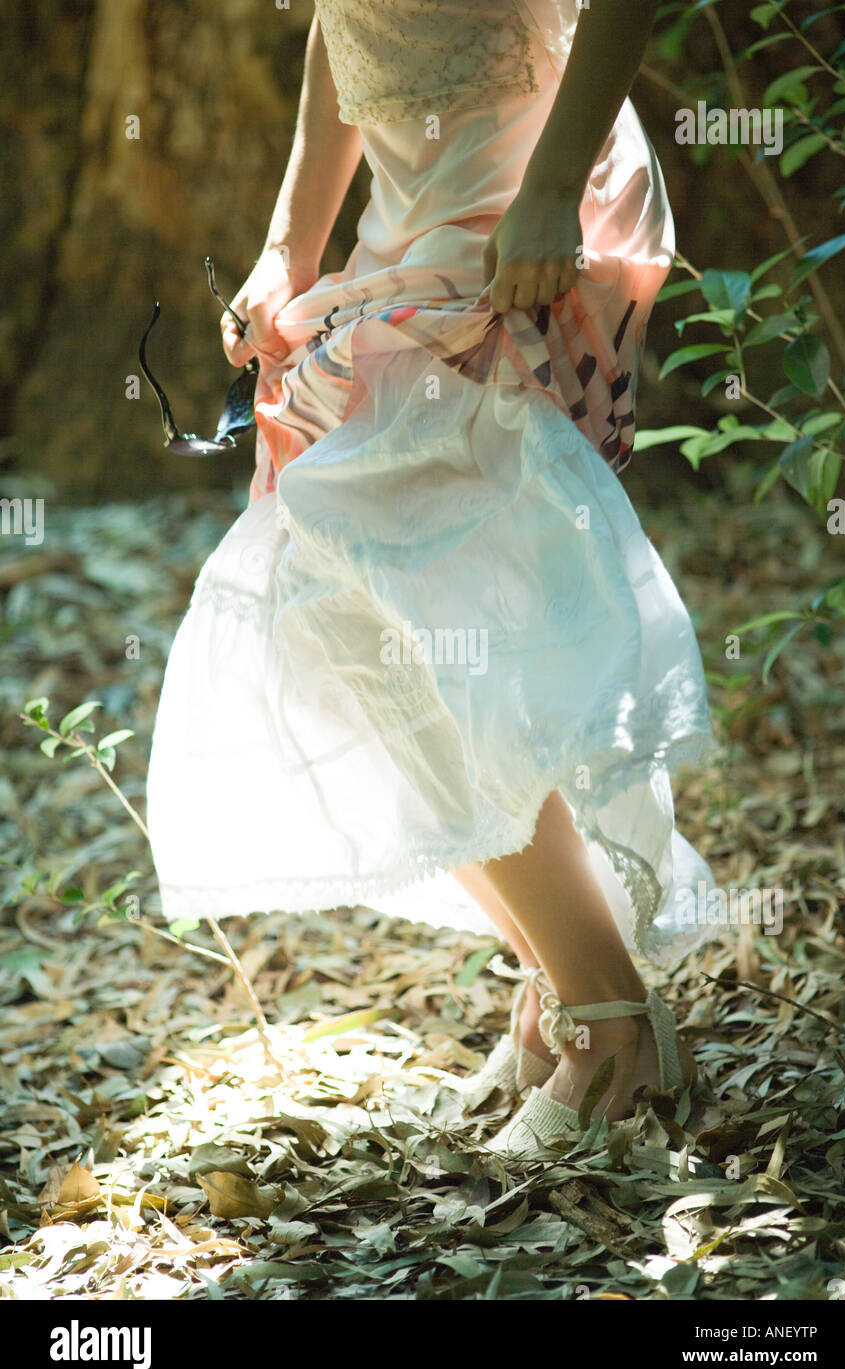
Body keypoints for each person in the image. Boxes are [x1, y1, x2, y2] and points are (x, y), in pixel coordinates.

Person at [146, 0, 721, 1157]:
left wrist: (554, 187)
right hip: (403, 219)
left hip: (521, 189)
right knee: (355, 622)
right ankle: (569, 983)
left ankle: (610, 1026)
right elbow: (339, 19)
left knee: (397, 593)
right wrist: (289, 242)